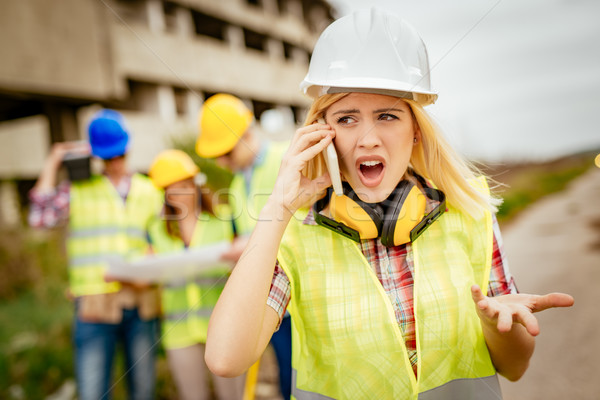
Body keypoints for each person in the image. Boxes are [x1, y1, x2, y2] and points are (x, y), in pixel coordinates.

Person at [204, 8, 574, 399]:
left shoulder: (469, 213)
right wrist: (277, 208)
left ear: (415, 130)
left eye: (386, 116)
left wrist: (496, 325)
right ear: (321, 134)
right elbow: (226, 358)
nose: (367, 139)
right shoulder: (297, 235)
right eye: (347, 119)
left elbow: (515, 368)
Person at [28, 109, 164, 400]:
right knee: (93, 391)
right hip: (93, 306)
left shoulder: (148, 189)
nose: (115, 163)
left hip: (140, 302)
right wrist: (54, 160)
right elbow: (39, 218)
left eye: (120, 156)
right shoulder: (79, 189)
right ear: (95, 156)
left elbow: (164, 240)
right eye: (108, 157)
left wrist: (154, 256)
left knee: (143, 390)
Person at [196, 93, 292, 400]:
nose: (221, 161)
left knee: (301, 378)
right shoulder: (238, 184)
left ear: (247, 134)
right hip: (265, 300)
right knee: (286, 378)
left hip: (295, 295)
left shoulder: (284, 160)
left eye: (226, 152)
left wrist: (249, 245)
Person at [147, 149, 246, 400]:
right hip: (179, 330)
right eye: (172, 188)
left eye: (184, 185)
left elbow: (244, 267)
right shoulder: (157, 230)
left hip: (222, 326)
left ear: (195, 184)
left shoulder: (223, 219)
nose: (179, 193)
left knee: (232, 395)